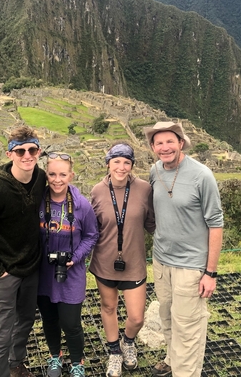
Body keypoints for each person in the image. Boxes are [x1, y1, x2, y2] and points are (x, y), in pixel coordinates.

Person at [143, 121, 224, 377]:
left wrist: (210, 272)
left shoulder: (202, 176)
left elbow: (216, 223)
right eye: (159, 143)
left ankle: (185, 372)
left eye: (170, 141)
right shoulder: (155, 171)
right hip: (161, 260)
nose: (165, 147)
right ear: (153, 147)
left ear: (181, 142)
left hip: (191, 265)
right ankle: (171, 357)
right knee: (167, 316)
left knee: (188, 326)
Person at [0, 126, 47, 377]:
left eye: (32, 149)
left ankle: (16, 365)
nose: (27, 155)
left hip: (31, 267)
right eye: (20, 150)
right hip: (5, 271)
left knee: (25, 320)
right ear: (9, 154)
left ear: (39, 151)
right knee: (0, 333)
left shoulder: (41, 178)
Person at [89, 142, 155, 377]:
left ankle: (128, 341)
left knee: (137, 317)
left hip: (134, 263)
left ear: (132, 165)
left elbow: (153, 225)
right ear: (108, 163)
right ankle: (115, 352)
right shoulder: (97, 190)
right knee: (109, 307)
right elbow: (92, 229)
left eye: (126, 162)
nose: (121, 167)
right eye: (116, 161)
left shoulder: (144, 189)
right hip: (104, 262)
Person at [37, 152, 99, 377]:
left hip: (70, 273)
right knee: (49, 319)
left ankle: (77, 362)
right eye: (52, 174)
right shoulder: (39, 200)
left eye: (63, 174)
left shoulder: (82, 205)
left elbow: (92, 235)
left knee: (71, 323)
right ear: (46, 175)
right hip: (43, 272)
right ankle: (55, 355)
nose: (57, 179)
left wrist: (77, 256)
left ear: (71, 175)